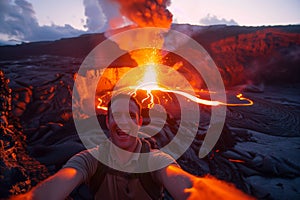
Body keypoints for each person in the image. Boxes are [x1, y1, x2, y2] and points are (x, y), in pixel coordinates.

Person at [11, 94, 253, 200]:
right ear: (107, 121)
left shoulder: (157, 161)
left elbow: (188, 185)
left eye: (130, 115)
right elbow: (44, 193)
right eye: (116, 115)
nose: (123, 121)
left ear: (139, 121)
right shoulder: (89, 160)